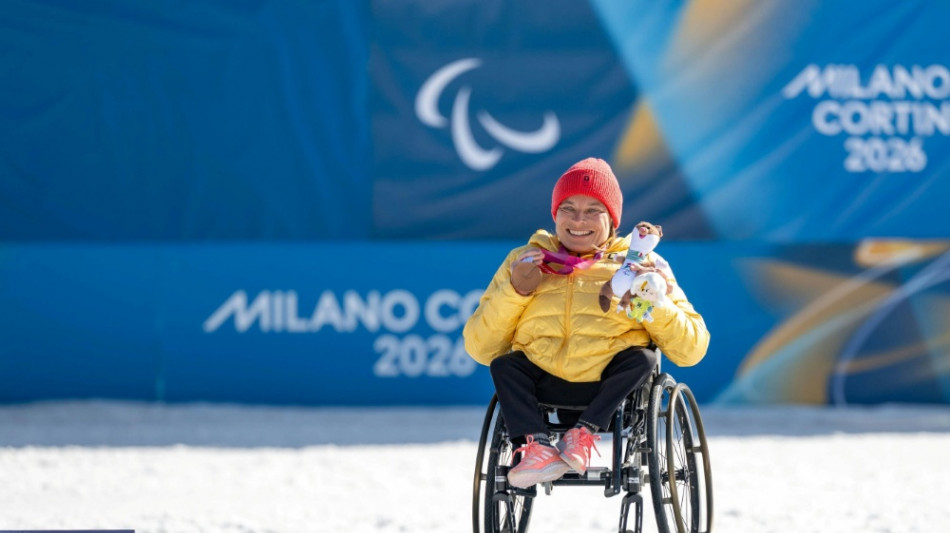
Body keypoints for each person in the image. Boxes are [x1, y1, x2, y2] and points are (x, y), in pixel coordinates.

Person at [463, 157, 710, 489]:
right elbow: (480, 347)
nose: (579, 220)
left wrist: (655, 302)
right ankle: (535, 446)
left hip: (610, 390)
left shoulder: (641, 264)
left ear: (613, 219)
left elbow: (691, 349)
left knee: (643, 359)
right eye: (569, 208)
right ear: (555, 214)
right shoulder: (525, 259)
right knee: (505, 365)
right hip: (544, 382)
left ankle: (584, 434)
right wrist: (517, 290)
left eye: (594, 210)